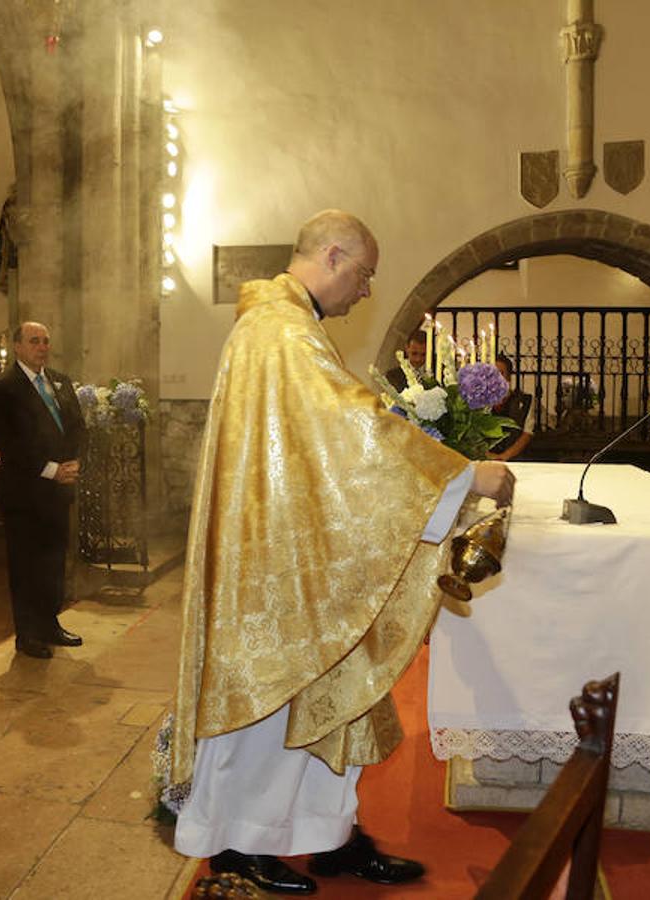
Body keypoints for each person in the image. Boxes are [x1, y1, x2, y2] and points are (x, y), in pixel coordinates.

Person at [169, 210, 515, 894]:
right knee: (272, 703)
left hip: (305, 542)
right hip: (275, 562)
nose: (364, 292)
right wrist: (460, 475)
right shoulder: (282, 333)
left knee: (334, 694)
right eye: (363, 275)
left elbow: (330, 433)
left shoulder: (284, 328)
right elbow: (345, 428)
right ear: (332, 255)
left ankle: (327, 834)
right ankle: (239, 843)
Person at [0, 321, 86, 659]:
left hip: (58, 492)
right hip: (25, 494)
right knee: (27, 566)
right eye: (34, 341)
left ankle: (49, 624)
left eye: (45, 341)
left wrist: (74, 463)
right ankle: (27, 635)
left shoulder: (59, 380)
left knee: (54, 563)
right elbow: (8, 442)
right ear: (17, 347)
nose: (42, 347)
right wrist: (51, 469)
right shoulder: (3, 389)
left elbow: (77, 427)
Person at [487, 353, 534, 461]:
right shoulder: (479, 402)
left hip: (516, 461)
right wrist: (488, 455)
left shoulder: (525, 401)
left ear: (508, 377)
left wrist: (504, 456)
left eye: (501, 373)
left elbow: (527, 434)